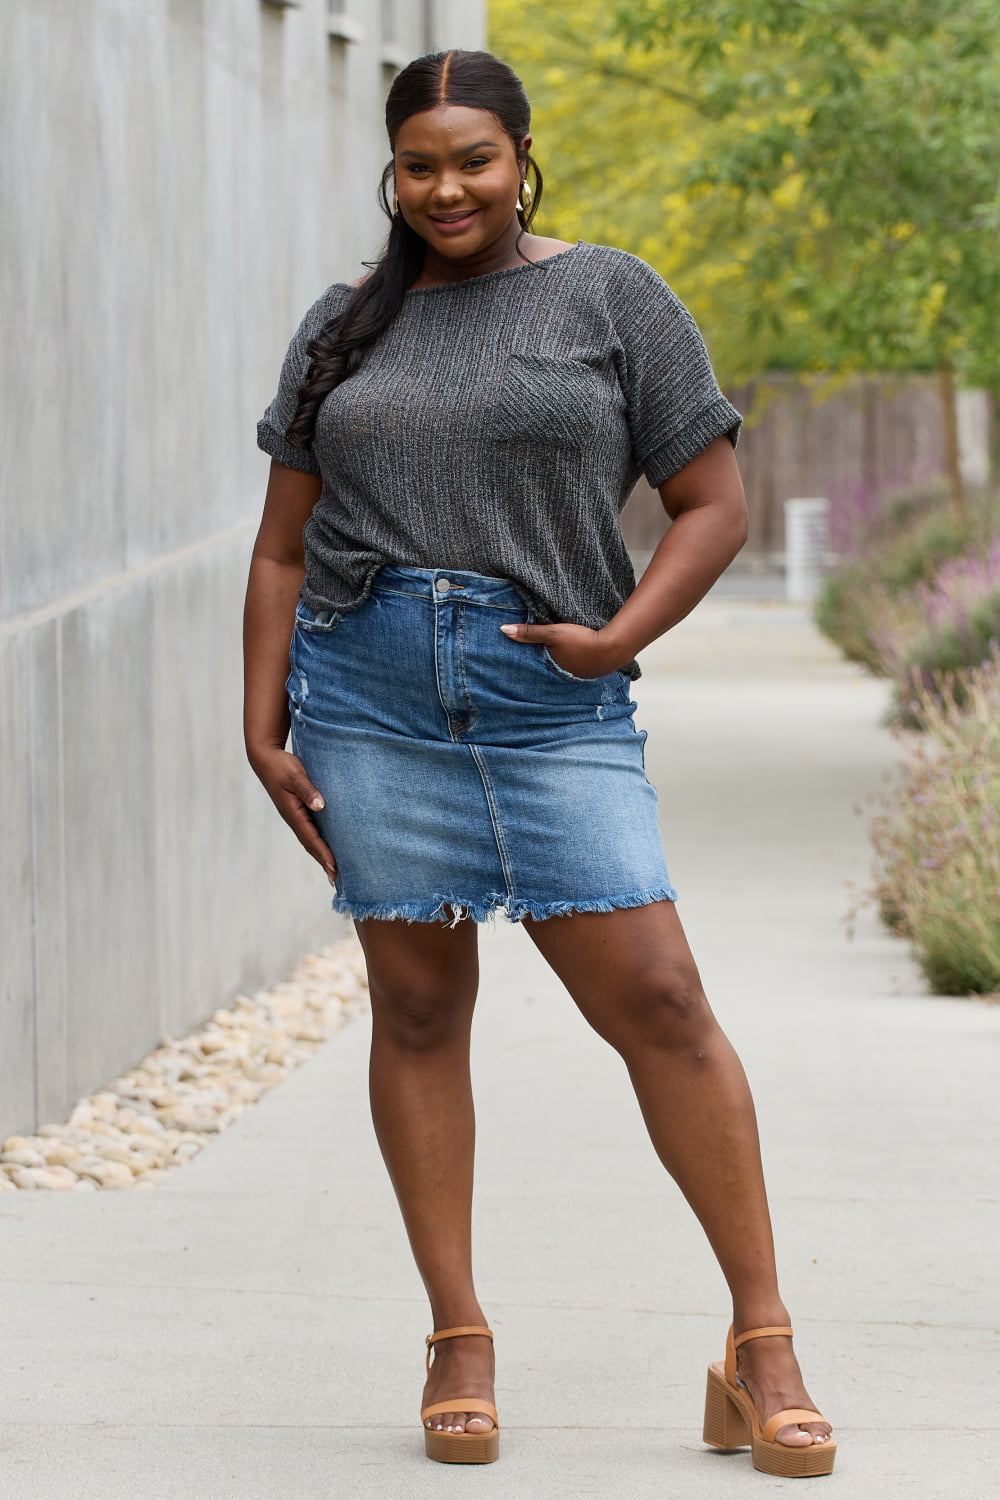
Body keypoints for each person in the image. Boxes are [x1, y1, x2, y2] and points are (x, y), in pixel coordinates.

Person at [244, 48, 835, 1478]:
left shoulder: (613, 298)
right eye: (421, 165)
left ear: (522, 159)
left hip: (550, 697)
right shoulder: (344, 325)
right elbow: (279, 546)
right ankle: (457, 1335)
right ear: (394, 170)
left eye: (476, 160)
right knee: (418, 1009)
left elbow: (711, 502)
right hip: (370, 692)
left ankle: (761, 1344)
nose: (447, 188)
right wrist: (259, 726)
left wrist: (617, 636)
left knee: (664, 1002)